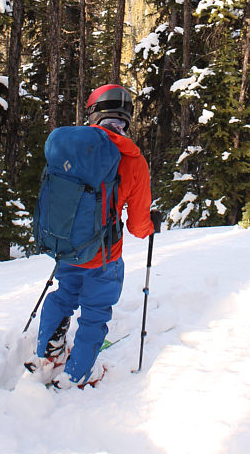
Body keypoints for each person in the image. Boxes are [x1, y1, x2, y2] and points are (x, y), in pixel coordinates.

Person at [31, 84, 160, 389]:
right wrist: (151, 225)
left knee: (64, 295)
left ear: (93, 112)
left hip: (65, 246)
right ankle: (77, 374)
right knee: (95, 312)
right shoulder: (133, 160)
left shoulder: (70, 146)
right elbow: (137, 227)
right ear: (126, 117)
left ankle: (46, 355)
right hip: (103, 256)